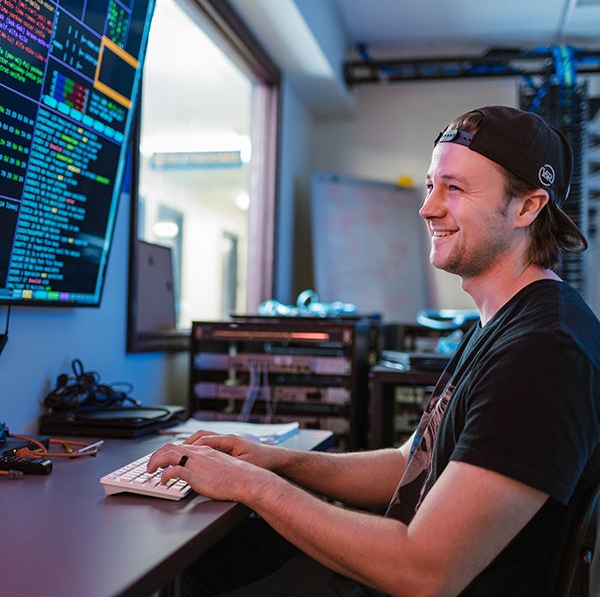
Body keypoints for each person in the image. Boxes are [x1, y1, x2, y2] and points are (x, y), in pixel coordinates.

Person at [147, 105, 600, 597]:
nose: (428, 207)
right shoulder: (503, 322)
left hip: (407, 577)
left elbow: (424, 572)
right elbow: (411, 465)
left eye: (455, 188)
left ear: (528, 207)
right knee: (217, 560)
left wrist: (250, 485)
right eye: (431, 185)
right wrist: (271, 461)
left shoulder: (545, 352)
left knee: (193, 575)